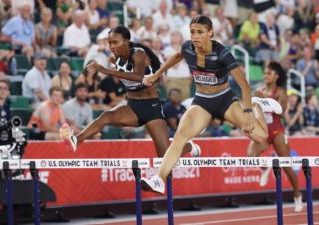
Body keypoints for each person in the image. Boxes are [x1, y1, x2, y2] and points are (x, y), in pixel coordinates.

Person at [140, 15, 282, 194]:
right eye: (192, 32)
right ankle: (159, 179)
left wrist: (247, 111)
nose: (195, 36)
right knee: (179, 136)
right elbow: (177, 56)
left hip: (224, 100)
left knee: (261, 137)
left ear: (210, 33)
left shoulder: (222, 52)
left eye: (200, 32)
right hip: (202, 101)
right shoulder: (188, 48)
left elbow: (243, 84)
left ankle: (258, 106)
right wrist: (156, 74)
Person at [59, 25, 201, 160]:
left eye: (115, 42)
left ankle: (188, 146)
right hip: (132, 107)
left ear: (126, 41)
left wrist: (107, 71)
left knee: (164, 156)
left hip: (151, 109)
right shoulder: (117, 59)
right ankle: (75, 140)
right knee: (107, 116)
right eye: (110, 43)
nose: (112, 46)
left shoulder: (139, 54)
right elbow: (128, 80)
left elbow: (139, 77)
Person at [248, 62, 302, 213]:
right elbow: (254, 110)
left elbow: (281, 113)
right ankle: (265, 168)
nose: (265, 76)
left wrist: (265, 100)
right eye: (264, 73)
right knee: (251, 154)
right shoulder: (258, 91)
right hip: (264, 131)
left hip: (277, 131)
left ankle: (297, 195)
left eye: (269, 73)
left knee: (286, 166)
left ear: (276, 76)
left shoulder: (280, 93)